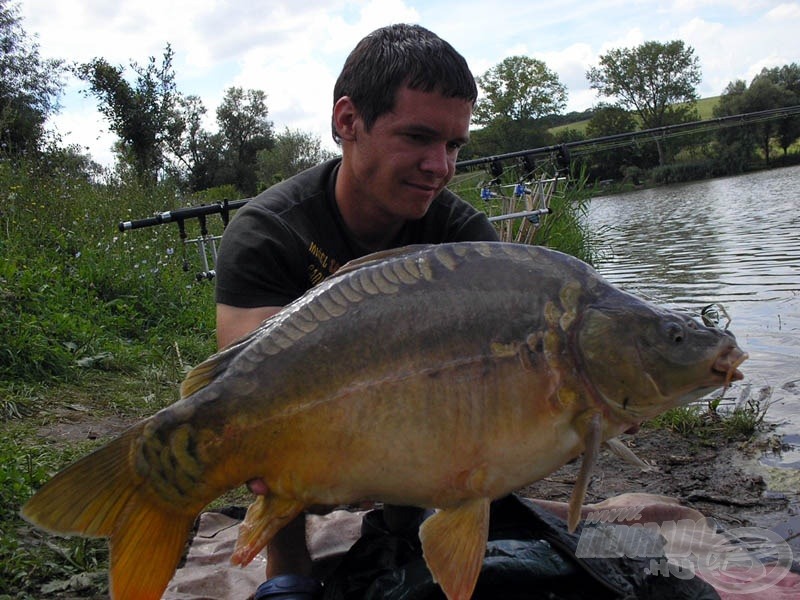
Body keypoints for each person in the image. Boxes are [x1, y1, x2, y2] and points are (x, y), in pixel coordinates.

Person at [214, 23, 499, 600]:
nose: (439, 166)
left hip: (420, 422)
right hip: (303, 431)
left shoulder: (461, 234)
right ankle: (289, 568)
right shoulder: (268, 232)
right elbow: (242, 395)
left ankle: (407, 528)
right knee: (263, 423)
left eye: (453, 146)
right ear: (348, 121)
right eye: (418, 138)